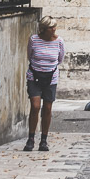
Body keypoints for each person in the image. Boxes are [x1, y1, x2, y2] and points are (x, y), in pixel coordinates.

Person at [23, 16, 65, 153]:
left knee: (47, 108)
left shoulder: (59, 42)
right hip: (34, 76)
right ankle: (30, 138)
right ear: (44, 29)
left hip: (51, 78)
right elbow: (30, 56)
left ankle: (44, 140)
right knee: (35, 106)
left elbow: (60, 59)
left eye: (54, 26)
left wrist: (48, 68)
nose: (54, 29)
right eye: (51, 27)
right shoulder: (34, 40)